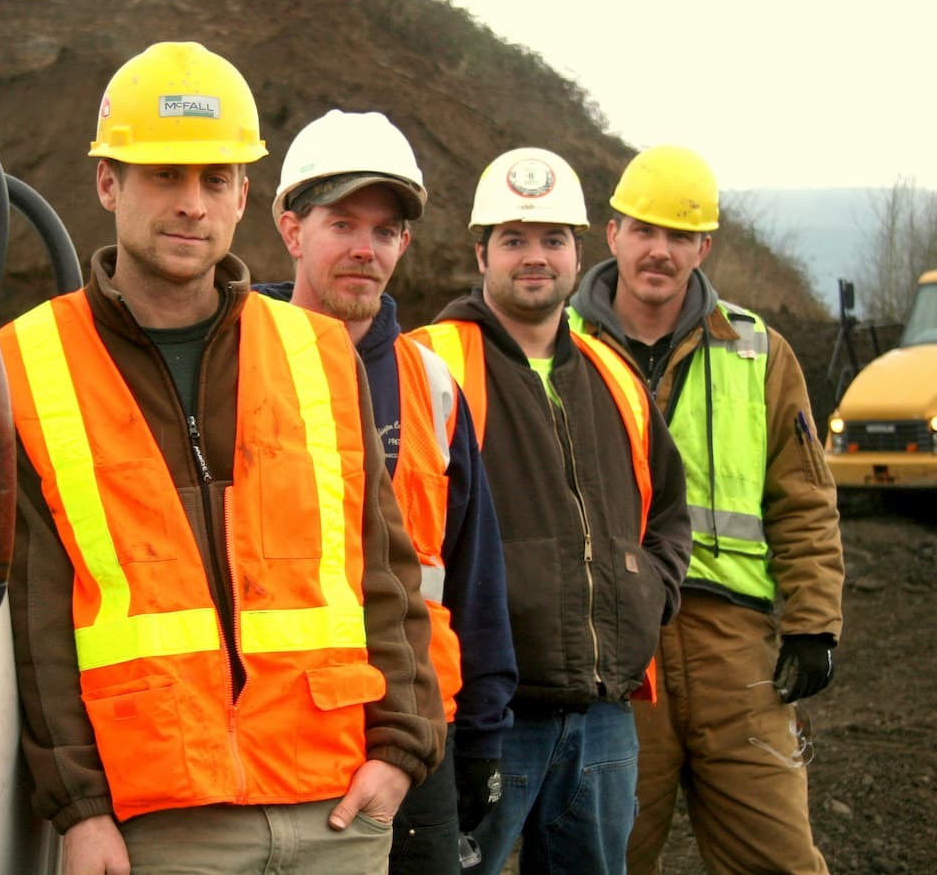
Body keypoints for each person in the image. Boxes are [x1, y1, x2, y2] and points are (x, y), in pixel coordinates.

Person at [0, 42, 444, 875]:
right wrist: (81, 809)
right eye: (164, 175)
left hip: (334, 809)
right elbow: (37, 621)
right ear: (108, 184)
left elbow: (383, 570)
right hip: (162, 825)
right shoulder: (28, 364)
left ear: (243, 195)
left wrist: (402, 747)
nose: (190, 204)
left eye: (213, 179)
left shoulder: (316, 352)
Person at [408, 147, 693, 874]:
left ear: (579, 250)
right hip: (484, 723)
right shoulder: (430, 365)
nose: (535, 256)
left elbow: (667, 511)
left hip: (604, 722)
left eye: (552, 238)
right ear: (480, 252)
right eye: (513, 239)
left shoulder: (613, 373)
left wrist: (647, 590)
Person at [568, 144, 845, 874]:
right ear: (614, 232)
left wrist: (815, 620)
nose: (659, 250)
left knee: (780, 859)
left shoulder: (759, 352)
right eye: (645, 229)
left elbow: (804, 500)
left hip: (736, 651)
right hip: (612, 648)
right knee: (601, 858)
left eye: (679, 235)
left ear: (703, 247)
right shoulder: (556, 348)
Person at [258, 109, 517, 873]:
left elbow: (474, 575)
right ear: (291, 228)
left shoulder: (431, 386)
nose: (365, 249)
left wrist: (481, 739)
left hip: (413, 738)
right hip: (279, 740)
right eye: (342, 223)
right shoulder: (235, 364)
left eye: (386, 229)